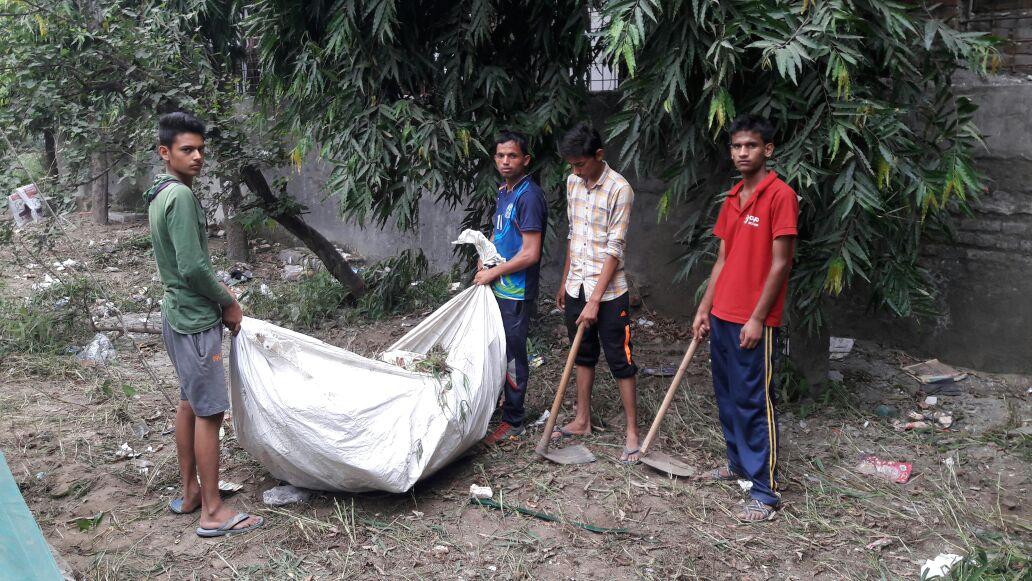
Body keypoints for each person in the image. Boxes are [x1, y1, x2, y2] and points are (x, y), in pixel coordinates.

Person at [145, 112, 263, 537]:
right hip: (195, 320)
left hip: (176, 314)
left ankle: (192, 491)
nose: (197, 157)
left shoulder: (159, 194)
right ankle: (213, 512)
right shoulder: (181, 198)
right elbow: (193, 266)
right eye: (186, 150)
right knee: (209, 413)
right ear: (165, 152)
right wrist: (229, 302)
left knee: (189, 404)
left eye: (200, 150)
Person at [691, 114, 799, 522]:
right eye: (736, 146)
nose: (742, 153)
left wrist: (757, 318)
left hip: (754, 321)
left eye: (750, 146)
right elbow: (722, 258)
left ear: (767, 150)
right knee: (728, 396)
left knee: (754, 401)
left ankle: (765, 491)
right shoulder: (733, 198)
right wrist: (705, 307)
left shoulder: (780, 195)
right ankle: (737, 464)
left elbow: (780, 264)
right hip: (722, 315)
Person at [552, 123, 640, 463]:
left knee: (621, 359)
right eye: (572, 166)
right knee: (582, 355)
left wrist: (594, 301)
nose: (576, 171)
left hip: (609, 293)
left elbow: (614, 249)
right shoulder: (573, 182)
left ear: (599, 156)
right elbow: (575, 235)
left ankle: (632, 432)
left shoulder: (620, 189)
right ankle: (582, 420)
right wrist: (565, 281)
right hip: (577, 285)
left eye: (581, 164)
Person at [474, 130, 548, 444]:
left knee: (513, 357)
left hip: (515, 291)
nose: (506, 161)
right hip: (499, 286)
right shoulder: (505, 190)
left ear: (525, 160)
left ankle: (514, 419)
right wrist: (484, 258)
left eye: (513, 156)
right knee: (497, 351)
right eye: (501, 156)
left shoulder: (529, 195)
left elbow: (530, 253)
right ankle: (502, 407)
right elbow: (500, 233)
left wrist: (494, 274)